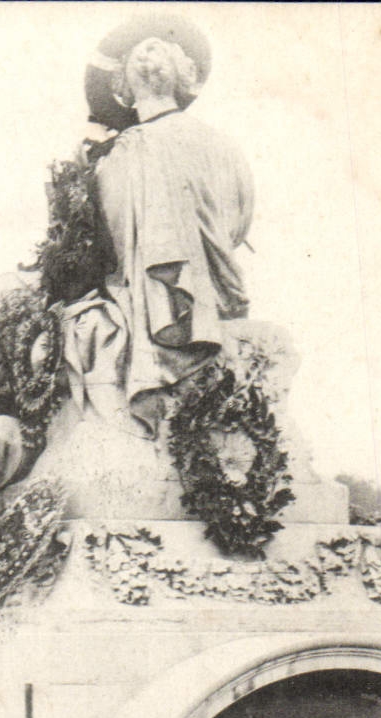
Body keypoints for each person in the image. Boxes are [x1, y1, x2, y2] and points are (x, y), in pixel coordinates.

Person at [85, 14, 253, 434]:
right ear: (121, 84)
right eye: (138, 51)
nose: (148, 52)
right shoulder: (119, 157)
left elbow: (238, 218)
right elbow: (109, 238)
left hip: (213, 281)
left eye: (161, 47)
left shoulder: (221, 144)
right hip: (142, 289)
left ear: (186, 73)